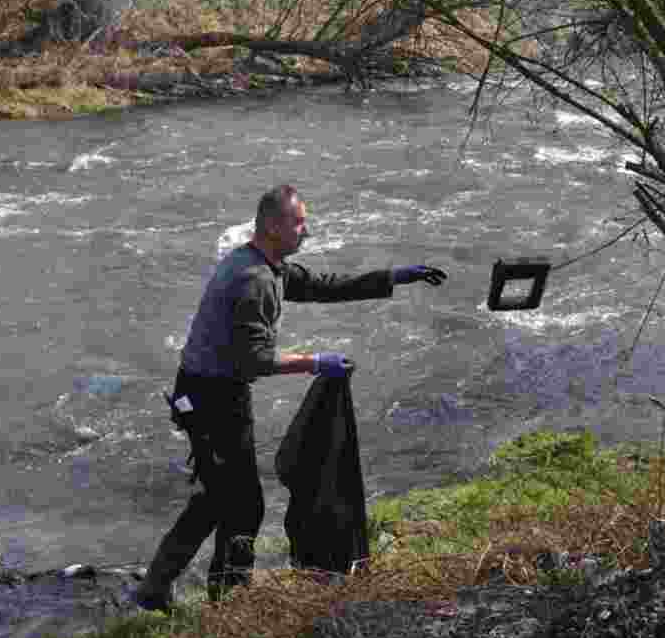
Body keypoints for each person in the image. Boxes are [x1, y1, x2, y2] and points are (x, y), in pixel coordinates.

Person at [128, 184, 447, 609]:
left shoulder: (269, 265)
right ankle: (229, 600)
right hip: (210, 399)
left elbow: (324, 285)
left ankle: (160, 588)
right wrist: (317, 361)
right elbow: (256, 360)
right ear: (273, 226)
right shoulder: (254, 279)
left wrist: (394, 276)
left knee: (218, 498)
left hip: (217, 392)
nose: (306, 230)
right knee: (243, 507)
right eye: (299, 222)